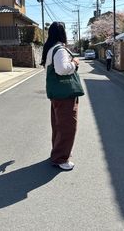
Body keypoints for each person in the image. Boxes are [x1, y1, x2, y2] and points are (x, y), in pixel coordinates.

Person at [40, 22, 80, 171]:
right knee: (68, 126)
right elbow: (62, 69)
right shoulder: (60, 49)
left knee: (58, 125)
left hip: (57, 93)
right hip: (65, 94)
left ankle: (58, 152)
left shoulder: (50, 49)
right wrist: (74, 64)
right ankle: (61, 158)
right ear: (63, 33)